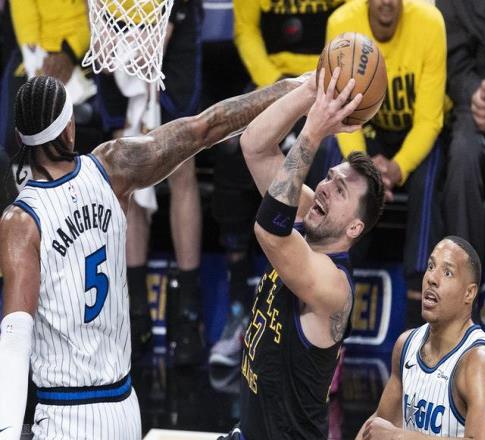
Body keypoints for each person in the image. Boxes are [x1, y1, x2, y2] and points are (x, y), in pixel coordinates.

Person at [0, 74, 301, 440]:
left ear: (20, 137)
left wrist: (7, 431)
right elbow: (207, 126)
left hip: (65, 415)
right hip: (124, 408)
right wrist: (296, 88)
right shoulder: (113, 167)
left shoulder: (21, 220)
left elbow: (15, 337)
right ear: (69, 127)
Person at [218, 69, 385, 440]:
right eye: (329, 178)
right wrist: (312, 90)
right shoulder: (310, 217)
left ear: (354, 228)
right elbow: (254, 145)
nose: (324, 188)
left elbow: (269, 231)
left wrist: (314, 130)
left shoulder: (334, 287)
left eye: (340, 191)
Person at [209, 0, 346, 369]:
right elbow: (246, 32)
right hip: (272, 81)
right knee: (231, 152)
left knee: (333, 167)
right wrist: (279, 87)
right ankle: (238, 308)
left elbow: (347, 31)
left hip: (326, 83)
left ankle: (325, 325)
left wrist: (322, 84)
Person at [96, 0, 205, 364]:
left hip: (171, 15)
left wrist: (167, 24)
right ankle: (135, 311)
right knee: (124, 165)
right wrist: (99, 26)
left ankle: (189, 312)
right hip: (114, 18)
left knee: (181, 162)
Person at [326, 0, 447, 328]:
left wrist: (398, 167)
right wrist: (364, 166)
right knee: (336, 164)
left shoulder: (430, 22)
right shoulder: (342, 24)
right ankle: (332, 295)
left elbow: (430, 121)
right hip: (364, 132)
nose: (386, 2)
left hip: (413, 136)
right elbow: (342, 113)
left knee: (429, 171)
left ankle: (418, 315)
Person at [355, 236, 485, 439]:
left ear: (469, 293)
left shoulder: (479, 361)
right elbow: (381, 422)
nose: (432, 278)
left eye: (447, 273)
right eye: (431, 266)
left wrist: (400, 437)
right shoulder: (406, 345)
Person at [435, 0, 485, 266]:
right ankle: (463, 273)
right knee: (462, 155)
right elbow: (456, 65)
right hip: (476, 108)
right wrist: (474, 95)